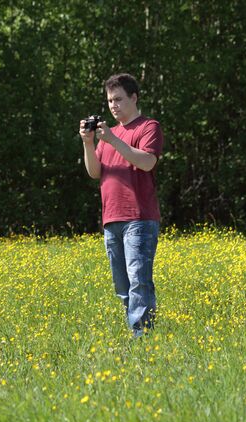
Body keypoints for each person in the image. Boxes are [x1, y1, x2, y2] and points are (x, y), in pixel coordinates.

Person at [79, 73, 163, 338]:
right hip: (111, 218)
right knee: (122, 286)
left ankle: (143, 339)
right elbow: (95, 172)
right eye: (109, 101)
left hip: (139, 217)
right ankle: (136, 333)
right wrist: (88, 142)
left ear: (134, 98)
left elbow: (148, 162)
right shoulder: (108, 134)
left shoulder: (148, 127)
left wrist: (113, 140)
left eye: (118, 99)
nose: (113, 106)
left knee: (139, 281)